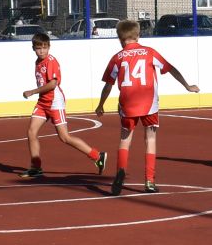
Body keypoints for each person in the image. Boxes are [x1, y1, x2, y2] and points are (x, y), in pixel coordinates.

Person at [95, 19, 200, 195]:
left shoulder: (117, 58)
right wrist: (187, 86)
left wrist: (100, 105)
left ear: (120, 39)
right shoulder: (150, 53)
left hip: (128, 104)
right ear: (138, 35)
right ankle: (149, 181)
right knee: (150, 139)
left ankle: (120, 171)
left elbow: (108, 85)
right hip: (149, 103)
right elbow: (170, 68)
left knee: (125, 139)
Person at [20, 31, 106, 180]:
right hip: (43, 102)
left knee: (64, 137)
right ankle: (36, 167)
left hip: (54, 102)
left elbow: (53, 84)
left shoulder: (51, 61)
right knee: (31, 132)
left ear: (49, 47)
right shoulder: (37, 62)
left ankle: (97, 156)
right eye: (39, 48)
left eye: (45, 47)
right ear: (33, 48)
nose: (42, 51)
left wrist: (33, 91)